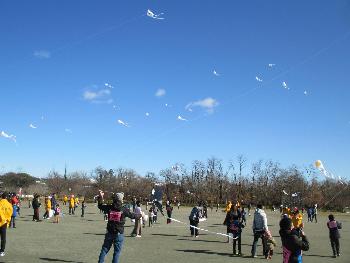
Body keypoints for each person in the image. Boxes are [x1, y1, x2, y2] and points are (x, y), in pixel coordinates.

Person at [98, 193, 139, 263]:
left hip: (109, 232)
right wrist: (141, 215)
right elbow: (133, 216)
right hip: (119, 233)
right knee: (116, 252)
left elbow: (100, 206)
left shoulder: (110, 207)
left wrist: (101, 197)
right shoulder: (124, 209)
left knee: (104, 249)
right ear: (121, 199)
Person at [0, 193, 13, 257]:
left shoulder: (0, 203)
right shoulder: (9, 204)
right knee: (3, 237)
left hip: (1, 221)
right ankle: (2, 251)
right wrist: (6, 220)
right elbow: (10, 213)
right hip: (4, 222)